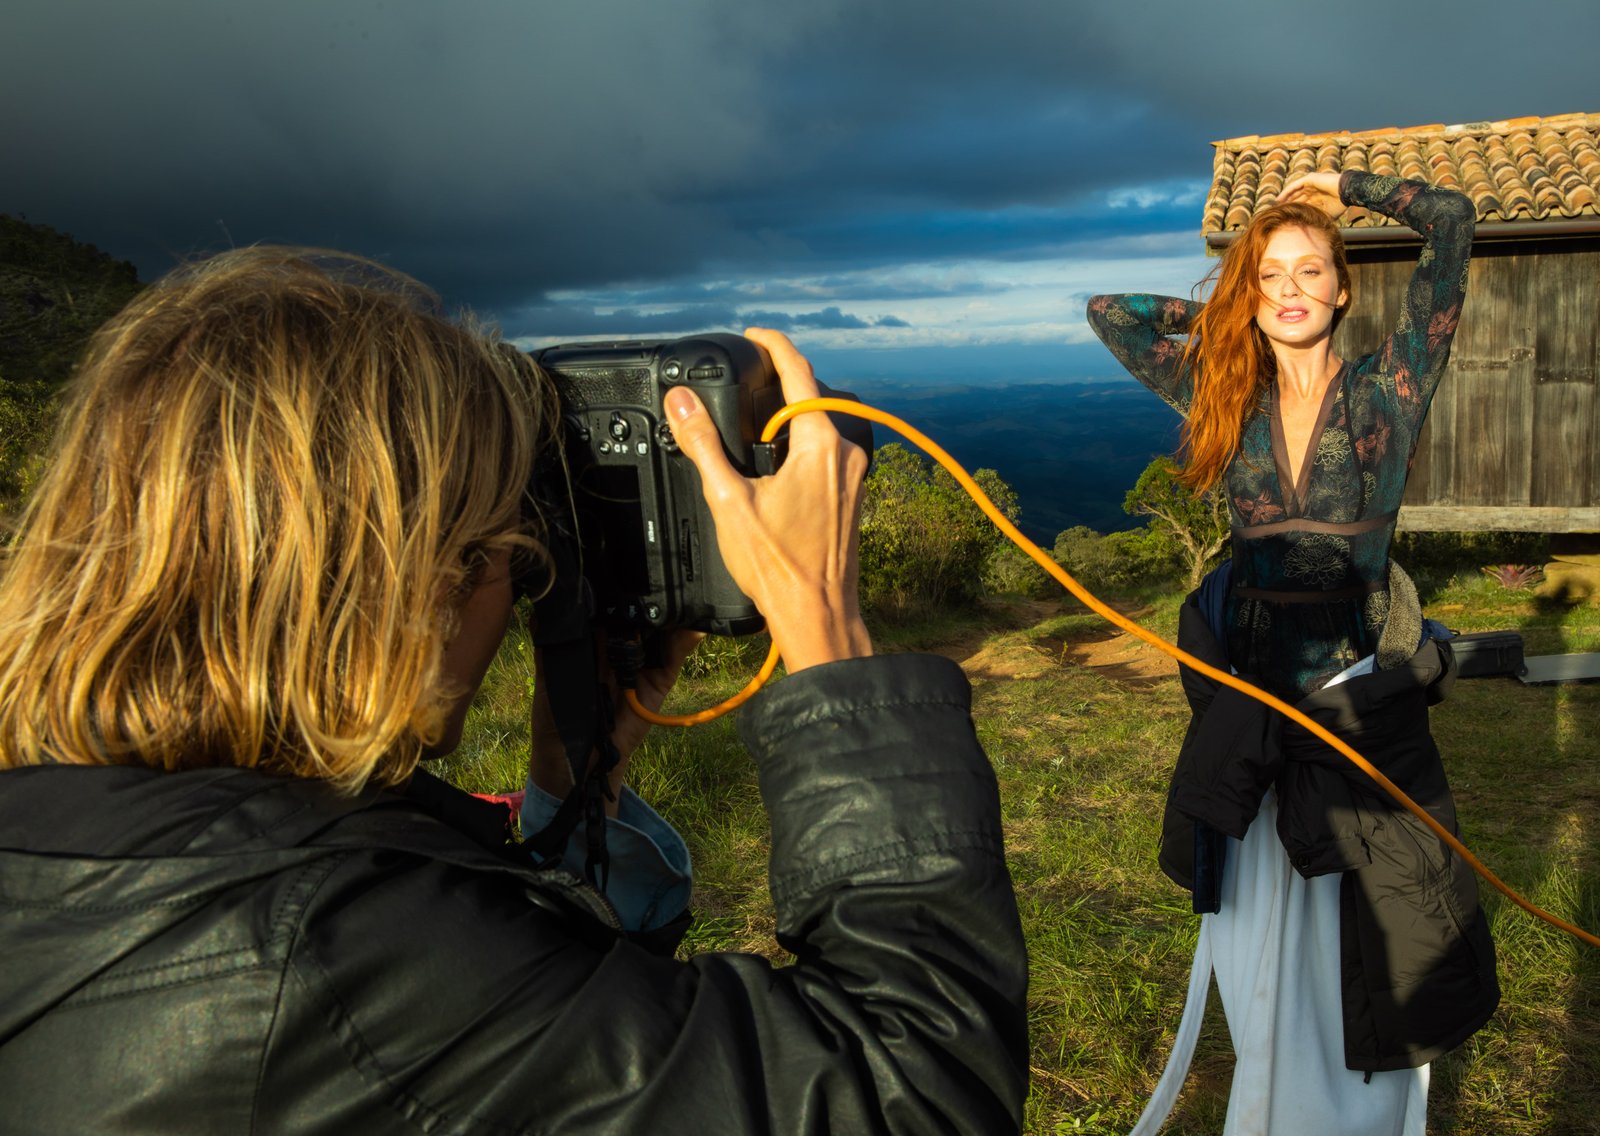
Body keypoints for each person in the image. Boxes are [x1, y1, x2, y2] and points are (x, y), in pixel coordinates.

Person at [0, 247, 1029, 1134]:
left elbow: (553, 1051)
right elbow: (909, 1089)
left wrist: (569, 778)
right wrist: (826, 626)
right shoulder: (326, 948)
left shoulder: (92, 837)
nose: (523, 587)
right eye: (505, 548)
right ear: (395, 575)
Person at [1087, 170, 1499, 1135]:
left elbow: (1451, 225)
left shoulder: (1389, 388)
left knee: (1373, 925)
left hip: (1358, 704)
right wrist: (1237, 287)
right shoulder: (1224, 389)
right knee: (1262, 936)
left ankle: (1356, 1113)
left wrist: (1343, 189)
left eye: (1310, 271)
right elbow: (1112, 315)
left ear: (1344, 287)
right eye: (1271, 277)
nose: (1290, 289)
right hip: (1252, 706)